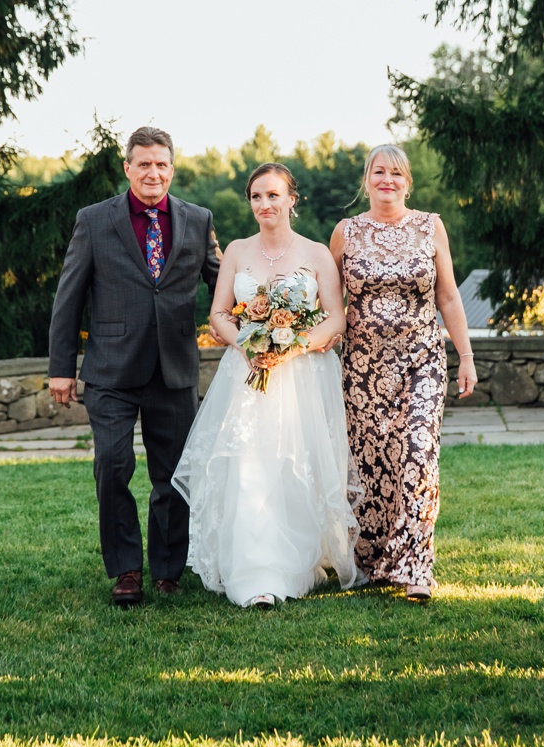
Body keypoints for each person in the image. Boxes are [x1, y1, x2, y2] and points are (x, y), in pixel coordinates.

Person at [47, 126, 223, 608]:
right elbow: (70, 297)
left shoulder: (197, 218)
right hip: (110, 370)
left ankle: (167, 569)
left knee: (172, 476)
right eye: (143, 164)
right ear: (127, 168)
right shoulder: (94, 220)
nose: (153, 172)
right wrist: (61, 366)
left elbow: (222, 284)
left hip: (174, 369)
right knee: (112, 466)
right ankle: (126, 569)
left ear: (172, 168)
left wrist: (266, 316)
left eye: (161, 164)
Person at [172, 164, 362, 609]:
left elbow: (336, 316)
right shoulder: (237, 250)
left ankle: (293, 565)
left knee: (291, 467)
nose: (265, 205)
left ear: (292, 199)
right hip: (247, 374)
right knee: (247, 466)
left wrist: (292, 346)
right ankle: (255, 573)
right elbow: (219, 314)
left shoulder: (316, 254)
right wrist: (247, 344)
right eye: (256, 197)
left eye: (273, 195)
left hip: (301, 378)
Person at [330, 143, 476, 604]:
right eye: (378, 172)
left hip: (421, 361)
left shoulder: (430, 226)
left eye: (395, 173)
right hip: (361, 367)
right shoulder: (346, 232)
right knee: (372, 464)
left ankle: (415, 566)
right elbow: (329, 303)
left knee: (416, 454)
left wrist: (466, 356)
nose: (387, 180)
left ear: (408, 181)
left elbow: (449, 297)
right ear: (366, 180)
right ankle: (374, 562)